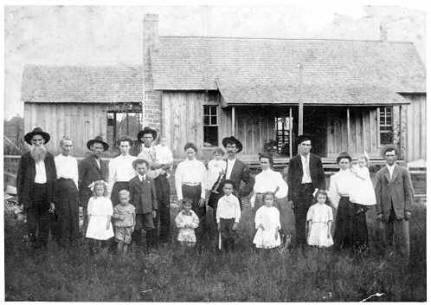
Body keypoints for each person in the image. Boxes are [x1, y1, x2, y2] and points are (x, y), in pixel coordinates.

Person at [17, 127, 57, 249]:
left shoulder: (49, 157)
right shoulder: (26, 158)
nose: (37, 143)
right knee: (32, 224)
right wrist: (21, 200)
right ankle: (32, 246)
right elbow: (20, 179)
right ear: (31, 142)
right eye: (34, 140)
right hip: (31, 193)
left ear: (44, 141)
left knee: (45, 223)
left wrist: (53, 200)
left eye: (40, 140)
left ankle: (42, 247)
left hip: (46, 192)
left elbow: (53, 178)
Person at [375, 146, 414, 258]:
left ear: (396, 156)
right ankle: (389, 259)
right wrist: (379, 211)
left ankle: (404, 260)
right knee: (387, 236)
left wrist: (408, 209)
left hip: (401, 209)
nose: (390, 157)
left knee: (402, 236)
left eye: (392, 155)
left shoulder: (403, 171)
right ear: (384, 157)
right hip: (386, 210)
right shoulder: (380, 173)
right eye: (387, 155)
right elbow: (377, 194)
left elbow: (409, 191)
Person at [287, 135, 325, 248]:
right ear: (299, 146)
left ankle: (315, 242)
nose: (306, 147)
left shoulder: (316, 159)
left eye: (308, 145)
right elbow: (290, 180)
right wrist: (290, 198)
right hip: (298, 192)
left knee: (315, 217)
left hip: (312, 190)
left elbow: (322, 178)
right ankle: (301, 244)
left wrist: (320, 193)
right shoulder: (294, 161)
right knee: (300, 219)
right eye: (304, 145)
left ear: (311, 147)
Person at [208, 136, 254, 226]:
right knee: (218, 222)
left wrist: (241, 193)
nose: (230, 149)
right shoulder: (220, 162)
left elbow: (250, 181)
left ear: (237, 149)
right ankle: (218, 238)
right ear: (225, 148)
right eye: (228, 147)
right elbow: (211, 177)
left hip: (233, 197)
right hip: (219, 196)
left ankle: (230, 239)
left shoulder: (241, 166)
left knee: (231, 223)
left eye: (233, 147)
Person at [137, 127, 171, 244]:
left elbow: (169, 164)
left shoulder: (158, 150)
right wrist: (160, 170)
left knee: (165, 209)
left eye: (150, 137)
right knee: (153, 210)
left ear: (153, 139)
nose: (148, 139)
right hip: (151, 183)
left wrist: (164, 169)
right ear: (142, 139)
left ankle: (165, 240)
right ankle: (152, 242)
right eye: (145, 137)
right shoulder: (141, 155)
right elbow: (147, 172)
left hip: (163, 182)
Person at [328, 152, 368, 251]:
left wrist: (362, 202)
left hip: (356, 201)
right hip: (344, 201)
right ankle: (343, 247)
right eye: (342, 162)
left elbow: (363, 187)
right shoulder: (335, 177)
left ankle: (359, 247)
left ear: (350, 163)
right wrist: (338, 205)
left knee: (358, 224)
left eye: (346, 162)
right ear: (338, 163)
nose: (344, 164)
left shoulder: (355, 174)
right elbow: (333, 193)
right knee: (343, 225)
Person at [175, 143, 207, 243]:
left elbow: (204, 181)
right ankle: (184, 238)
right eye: (188, 152)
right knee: (186, 213)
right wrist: (180, 197)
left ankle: (198, 237)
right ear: (185, 153)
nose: (190, 154)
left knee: (198, 212)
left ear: (195, 153)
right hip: (186, 189)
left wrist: (202, 196)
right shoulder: (181, 165)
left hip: (197, 189)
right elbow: (178, 181)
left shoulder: (200, 165)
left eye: (192, 152)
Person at [78, 136, 109, 233]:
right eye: (96, 148)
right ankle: (87, 241)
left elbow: (105, 179)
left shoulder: (103, 163)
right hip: (88, 196)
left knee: (99, 218)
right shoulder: (85, 162)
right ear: (92, 148)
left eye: (100, 148)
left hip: (100, 196)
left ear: (103, 149)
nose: (98, 150)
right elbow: (80, 180)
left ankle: (98, 238)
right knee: (89, 217)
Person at [54, 136, 79, 247]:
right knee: (63, 214)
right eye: (66, 145)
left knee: (73, 214)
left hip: (72, 188)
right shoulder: (56, 159)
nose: (68, 148)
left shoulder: (73, 160)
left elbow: (75, 177)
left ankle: (73, 240)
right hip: (61, 188)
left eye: (70, 146)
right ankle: (62, 242)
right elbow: (54, 177)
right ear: (61, 146)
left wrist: (76, 190)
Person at [129, 159, 158, 250]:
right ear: (135, 169)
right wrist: (131, 209)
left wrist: (154, 209)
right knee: (137, 228)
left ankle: (149, 248)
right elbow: (131, 196)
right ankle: (137, 247)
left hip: (148, 209)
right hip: (137, 209)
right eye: (139, 168)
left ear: (147, 168)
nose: (141, 170)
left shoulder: (150, 180)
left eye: (143, 168)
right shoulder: (132, 181)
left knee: (150, 227)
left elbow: (153, 196)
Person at [85, 180, 114, 255]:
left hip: (104, 220)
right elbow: (89, 211)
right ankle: (94, 251)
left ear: (104, 190)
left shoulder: (107, 200)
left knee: (104, 236)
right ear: (94, 190)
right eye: (97, 190)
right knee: (94, 236)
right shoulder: (92, 199)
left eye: (101, 189)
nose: (99, 191)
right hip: (94, 220)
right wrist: (89, 221)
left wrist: (108, 222)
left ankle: (103, 252)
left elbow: (109, 212)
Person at [108, 136, 137, 206]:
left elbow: (137, 176)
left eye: (126, 146)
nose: (124, 148)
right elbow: (111, 178)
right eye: (122, 146)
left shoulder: (135, 160)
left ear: (130, 147)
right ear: (119, 147)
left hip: (131, 186)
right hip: (118, 186)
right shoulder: (114, 161)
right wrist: (109, 194)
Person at [216, 180, 241, 252]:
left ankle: (232, 250)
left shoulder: (235, 199)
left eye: (229, 189)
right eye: (226, 188)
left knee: (232, 235)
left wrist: (236, 222)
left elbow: (238, 211)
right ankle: (224, 250)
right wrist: (218, 222)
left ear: (232, 190)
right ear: (223, 189)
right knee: (223, 236)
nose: (227, 190)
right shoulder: (220, 200)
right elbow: (218, 211)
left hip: (231, 220)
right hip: (223, 220)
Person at [112, 190, 136, 255]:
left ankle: (124, 256)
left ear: (129, 198)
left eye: (125, 199)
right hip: (119, 226)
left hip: (128, 226)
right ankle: (119, 255)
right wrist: (119, 216)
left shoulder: (131, 207)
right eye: (122, 199)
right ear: (119, 199)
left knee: (126, 241)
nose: (124, 201)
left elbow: (134, 217)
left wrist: (133, 225)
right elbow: (113, 215)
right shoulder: (117, 207)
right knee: (120, 241)